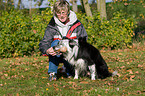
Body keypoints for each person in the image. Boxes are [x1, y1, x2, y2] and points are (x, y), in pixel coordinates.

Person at [39, 0, 88, 81]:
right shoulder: (52, 26)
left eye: (63, 12)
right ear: (55, 13)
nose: (61, 15)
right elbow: (44, 42)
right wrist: (47, 50)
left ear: (68, 12)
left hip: (73, 56)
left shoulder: (77, 25)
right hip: (57, 55)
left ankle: (70, 71)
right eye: (58, 13)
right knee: (55, 43)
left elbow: (84, 41)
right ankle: (52, 73)